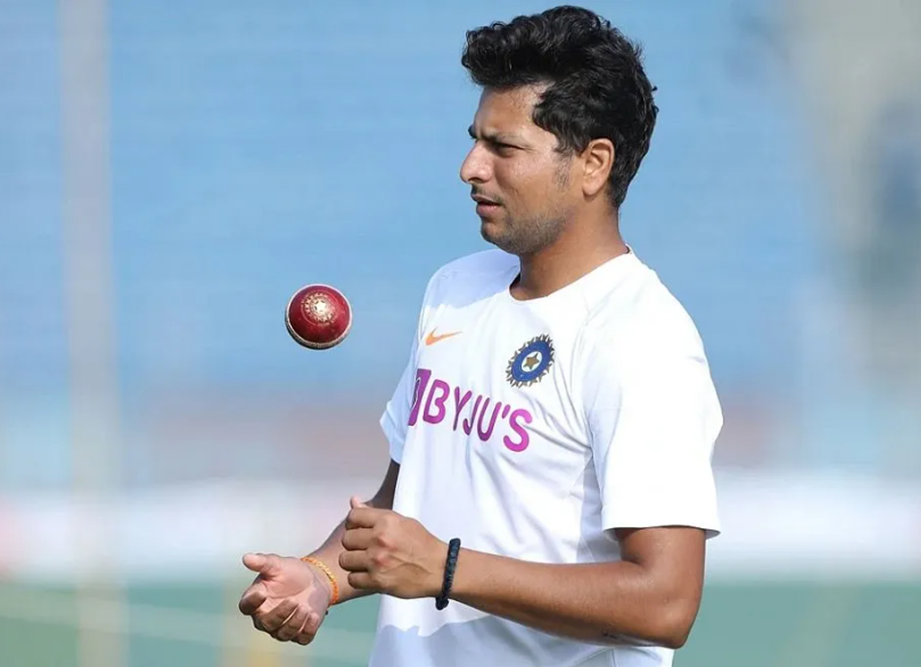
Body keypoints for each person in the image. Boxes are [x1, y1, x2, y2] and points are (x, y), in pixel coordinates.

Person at [238, 6, 723, 666]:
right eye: (476, 140)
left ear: (592, 163)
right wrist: (322, 576)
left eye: (504, 147)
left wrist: (445, 568)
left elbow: (665, 601)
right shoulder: (455, 289)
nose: (471, 167)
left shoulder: (643, 339)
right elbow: (405, 500)